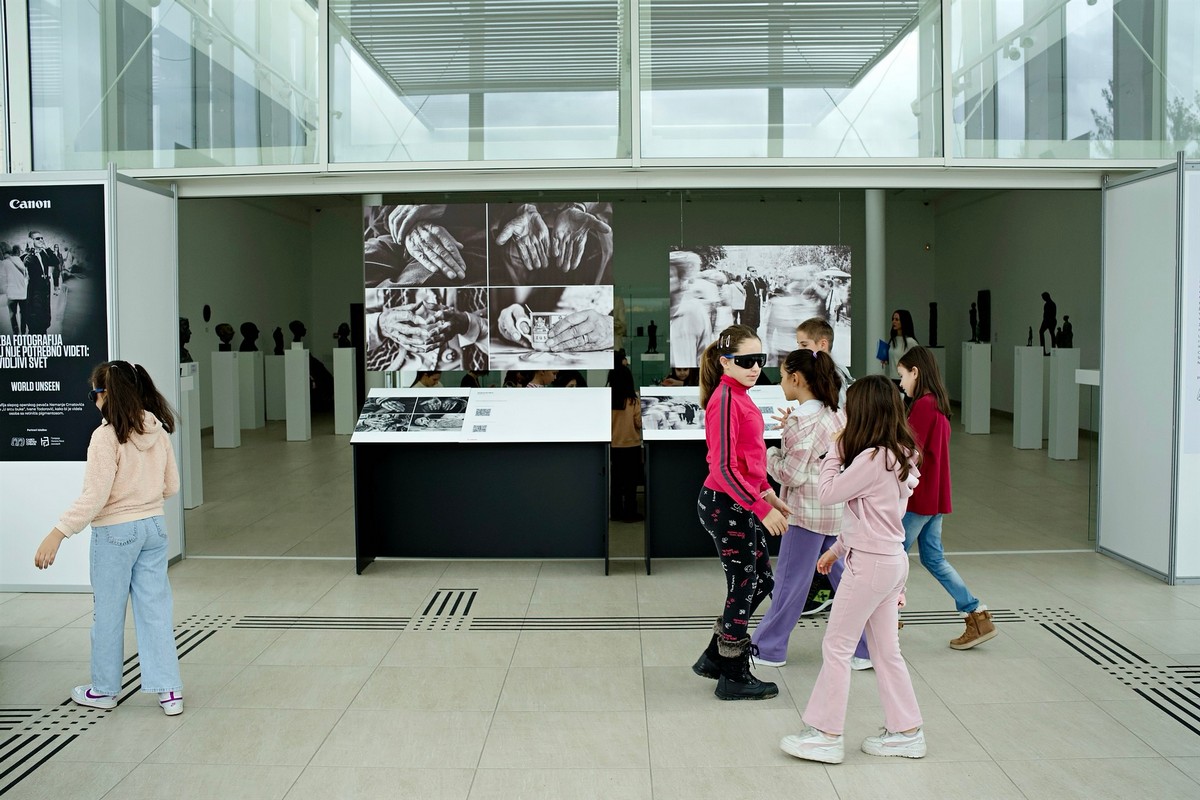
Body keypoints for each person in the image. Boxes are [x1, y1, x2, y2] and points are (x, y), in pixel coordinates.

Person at [780, 375, 925, 764]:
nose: (844, 412)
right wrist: (838, 549)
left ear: (863, 410)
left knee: (837, 646)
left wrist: (835, 449)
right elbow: (877, 514)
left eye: (850, 406)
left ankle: (826, 735)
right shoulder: (901, 453)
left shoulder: (871, 458)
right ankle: (907, 732)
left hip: (871, 566)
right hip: (889, 561)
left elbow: (828, 493)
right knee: (885, 652)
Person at [32, 361, 184, 717]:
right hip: (154, 528)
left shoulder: (105, 437)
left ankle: (104, 690)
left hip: (116, 533)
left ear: (107, 394)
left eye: (94, 395)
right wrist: (144, 498)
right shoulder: (157, 430)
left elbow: (95, 496)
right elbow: (172, 486)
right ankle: (170, 693)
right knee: (156, 611)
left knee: (109, 614)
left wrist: (58, 532)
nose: (94, 401)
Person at [750, 349, 872, 670]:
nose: (780, 383)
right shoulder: (837, 412)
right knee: (846, 582)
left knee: (791, 583)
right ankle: (866, 647)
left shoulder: (800, 421)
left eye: (782, 376)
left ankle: (768, 648)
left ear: (796, 378)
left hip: (805, 513)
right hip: (835, 511)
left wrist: (769, 454)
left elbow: (791, 474)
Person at [690, 324, 790, 701]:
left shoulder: (740, 395)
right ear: (725, 362)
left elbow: (748, 458)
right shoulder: (726, 399)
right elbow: (723, 468)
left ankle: (715, 657)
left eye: (759, 360)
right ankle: (732, 674)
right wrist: (761, 507)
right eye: (746, 361)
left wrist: (767, 493)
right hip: (726, 505)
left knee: (760, 581)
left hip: (739, 502)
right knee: (745, 584)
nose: (755, 367)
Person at [897, 347, 997, 650]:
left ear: (915, 372)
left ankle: (886, 618)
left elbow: (909, 453)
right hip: (933, 498)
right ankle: (976, 616)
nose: (901, 383)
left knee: (892, 555)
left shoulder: (923, 406)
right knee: (933, 558)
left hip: (918, 498)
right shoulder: (938, 404)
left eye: (902, 375)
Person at [610, 360, 643, 521]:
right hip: (632, 445)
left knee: (616, 482)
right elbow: (639, 423)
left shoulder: (608, 401)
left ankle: (616, 512)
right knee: (631, 483)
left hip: (614, 446)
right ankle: (630, 513)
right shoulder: (633, 401)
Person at [796, 316, 852, 407]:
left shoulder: (832, 375)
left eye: (804, 345)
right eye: (798, 344)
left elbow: (838, 410)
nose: (799, 349)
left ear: (823, 345)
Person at [22, 230, 57, 335]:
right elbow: (25, 262)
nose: (41, 240)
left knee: (44, 319)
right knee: (35, 320)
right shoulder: (27, 256)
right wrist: (30, 251)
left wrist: (47, 249)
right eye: (38, 238)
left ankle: (43, 339)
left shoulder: (43, 254)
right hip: (35, 291)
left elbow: (55, 262)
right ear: (31, 241)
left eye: (42, 238)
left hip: (45, 291)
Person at [881, 309, 917, 382]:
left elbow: (917, 360)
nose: (893, 322)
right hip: (892, 378)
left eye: (897, 320)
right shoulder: (892, 340)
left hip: (904, 379)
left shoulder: (910, 342)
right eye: (893, 319)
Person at [3, 243, 29, 334]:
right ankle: (23, 331)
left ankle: (16, 333)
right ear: (18, 252)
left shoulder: (5, 263)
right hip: (23, 293)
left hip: (11, 293)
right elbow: (27, 277)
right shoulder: (22, 262)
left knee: (12, 314)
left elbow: (3, 278)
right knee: (24, 313)